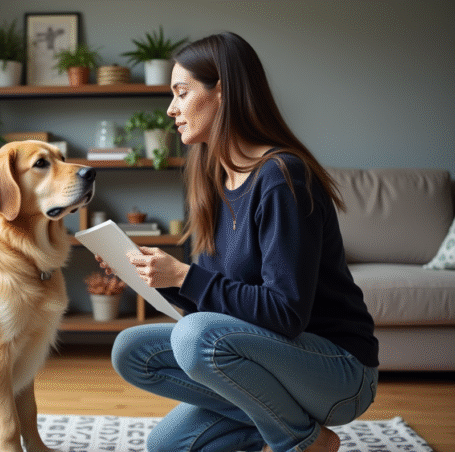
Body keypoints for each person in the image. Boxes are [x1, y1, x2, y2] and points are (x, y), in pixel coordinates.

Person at [103, 32, 379, 452]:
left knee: (195, 337)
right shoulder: (212, 181)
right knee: (134, 359)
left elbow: (284, 314)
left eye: (182, 92)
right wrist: (152, 278)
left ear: (223, 93)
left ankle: (303, 441)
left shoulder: (282, 178)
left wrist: (184, 275)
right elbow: (216, 305)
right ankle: (273, 423)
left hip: (339, 371)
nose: (171, 109)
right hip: (270, 363)